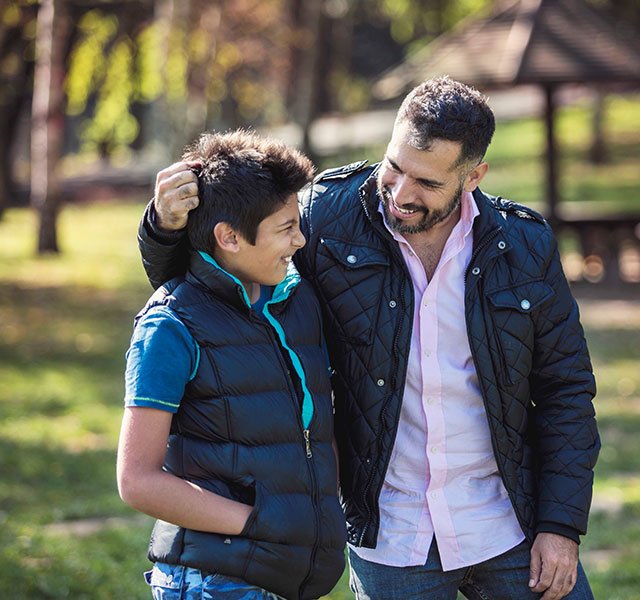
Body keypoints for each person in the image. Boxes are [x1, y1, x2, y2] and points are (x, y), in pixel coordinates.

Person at [136, 77, 600, 600]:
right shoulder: (323, 217)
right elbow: (211, 283)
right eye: (394, 167)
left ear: (474, 177)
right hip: (391, 538)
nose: (401, 194)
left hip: (512, 524)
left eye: (426, 183)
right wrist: (163, 227)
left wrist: (560, 526)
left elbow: (565, 390)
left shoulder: (526, 244)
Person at [117, 129, 347, 600]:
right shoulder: (169, 326)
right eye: (285, 229)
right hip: (214, 582)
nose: (300, 240)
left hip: (287, 573)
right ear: (229, 237)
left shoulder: (295, 302)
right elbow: (136, 481)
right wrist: (257, 522)